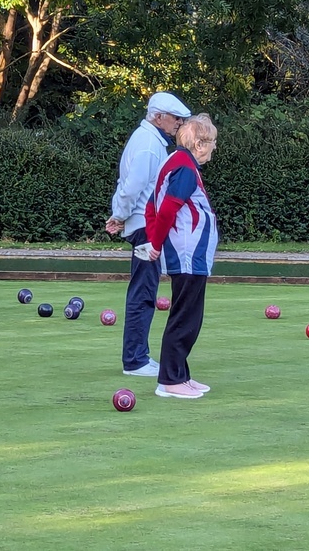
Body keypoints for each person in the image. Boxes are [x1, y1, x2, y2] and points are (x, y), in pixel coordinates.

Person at [105, 91, 192, 376]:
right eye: (175, 118)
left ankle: (138, 356)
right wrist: (119, 215)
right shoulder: (147, 145)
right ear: (158, 117)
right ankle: (135, 360)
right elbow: (133, 186)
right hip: (145, 228)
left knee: (145, 289)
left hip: (143, 224)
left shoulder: (150, 141)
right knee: (143, 292)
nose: (179, 123)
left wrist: (120, 215)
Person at [144, 113, 219, 399]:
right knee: (185, 317)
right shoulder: (184, 167)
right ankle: (170, 381)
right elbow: (166, 209)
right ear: (200, 143)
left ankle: (180, 375)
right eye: (211, 141)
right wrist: (156, 242)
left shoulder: (177, 162)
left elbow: (152, 207)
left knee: (189, 315)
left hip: (191, 254)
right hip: (188, 254)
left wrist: (155, 240)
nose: (213, 148)